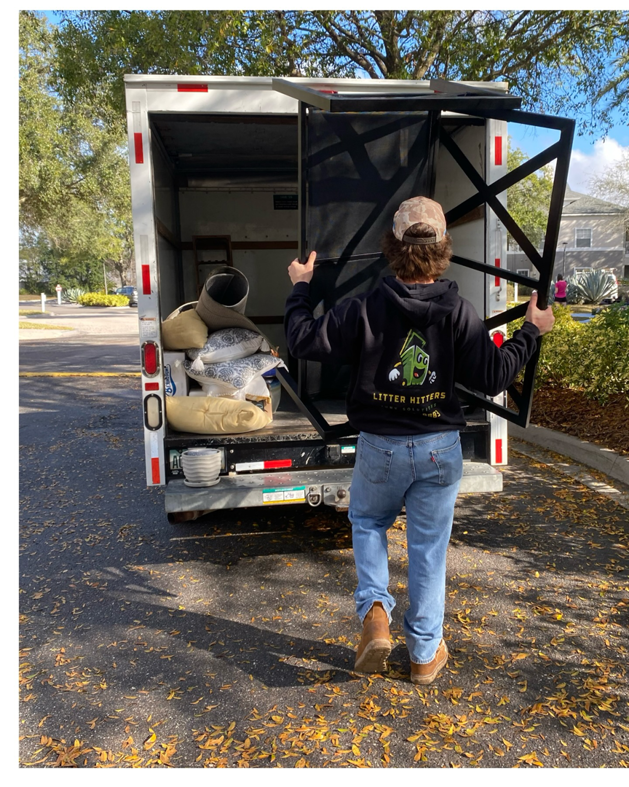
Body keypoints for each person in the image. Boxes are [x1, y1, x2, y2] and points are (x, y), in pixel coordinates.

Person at [284, 196, 554, 685]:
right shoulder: (458, 310)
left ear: (392, 245)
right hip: (439, 447)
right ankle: (425, 656)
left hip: (380, 446)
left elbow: (303, 340)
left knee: (368, 521)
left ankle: (375, 616)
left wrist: (302, 287)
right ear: (443, 248)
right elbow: (494, 374)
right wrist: (530, 333)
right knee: (428, 548)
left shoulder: (363, 307)